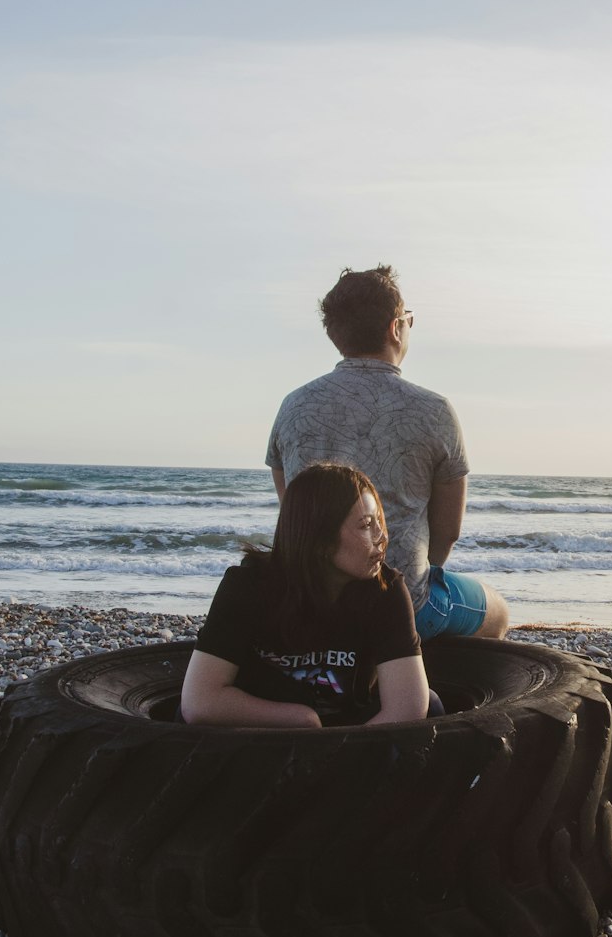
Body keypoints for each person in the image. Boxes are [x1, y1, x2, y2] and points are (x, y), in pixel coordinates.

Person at [266, 264, 509, 642]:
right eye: (409, 320)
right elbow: (448, 533)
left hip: (310, 600)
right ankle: (427, 673)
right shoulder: (434, 410)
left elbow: (294, 510)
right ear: (396, 327)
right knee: (495, 611)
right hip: (402, 602)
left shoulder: (294, 405)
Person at [181, 463, 430, 728]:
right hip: (263, 730)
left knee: (434, 705)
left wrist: (342, 756)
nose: (381, 536)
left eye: (379, 521)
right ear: (320, 538)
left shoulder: (385, 590)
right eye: (366, 525)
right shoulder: (248, 586)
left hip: (353, 727)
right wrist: (302, 719)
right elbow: (200, 702)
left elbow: (409, 707)